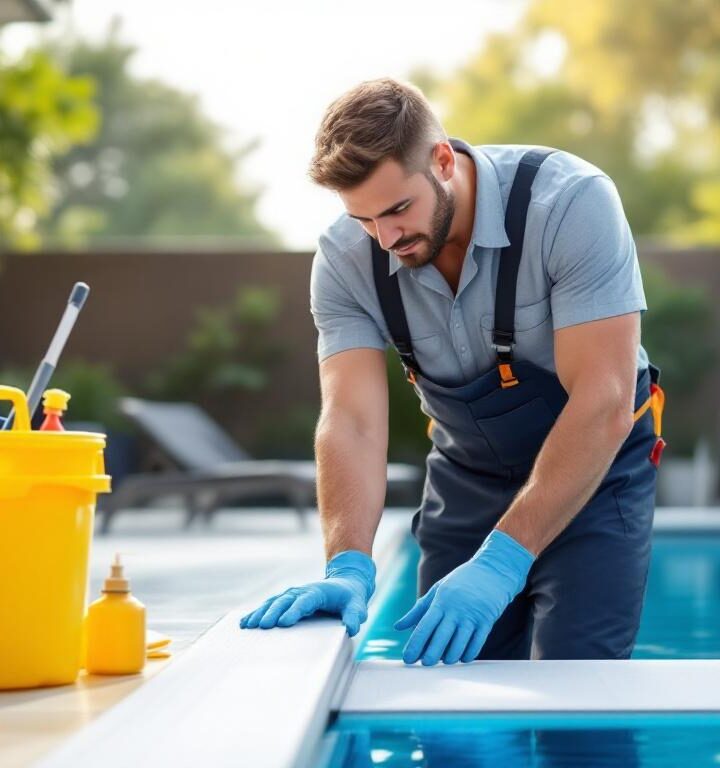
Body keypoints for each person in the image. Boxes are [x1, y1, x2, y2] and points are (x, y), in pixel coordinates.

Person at [240, 78, 666, 665]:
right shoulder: (344, 260)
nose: (386, 239)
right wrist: (349, 563)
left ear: (443, 160)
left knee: (576, 686)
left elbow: (605, 399)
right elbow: (352, 420)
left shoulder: (570, 203)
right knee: (448, 710)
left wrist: (502, 562)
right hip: (467, 474)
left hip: (595, 469)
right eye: (364, 219)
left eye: (397, 209)